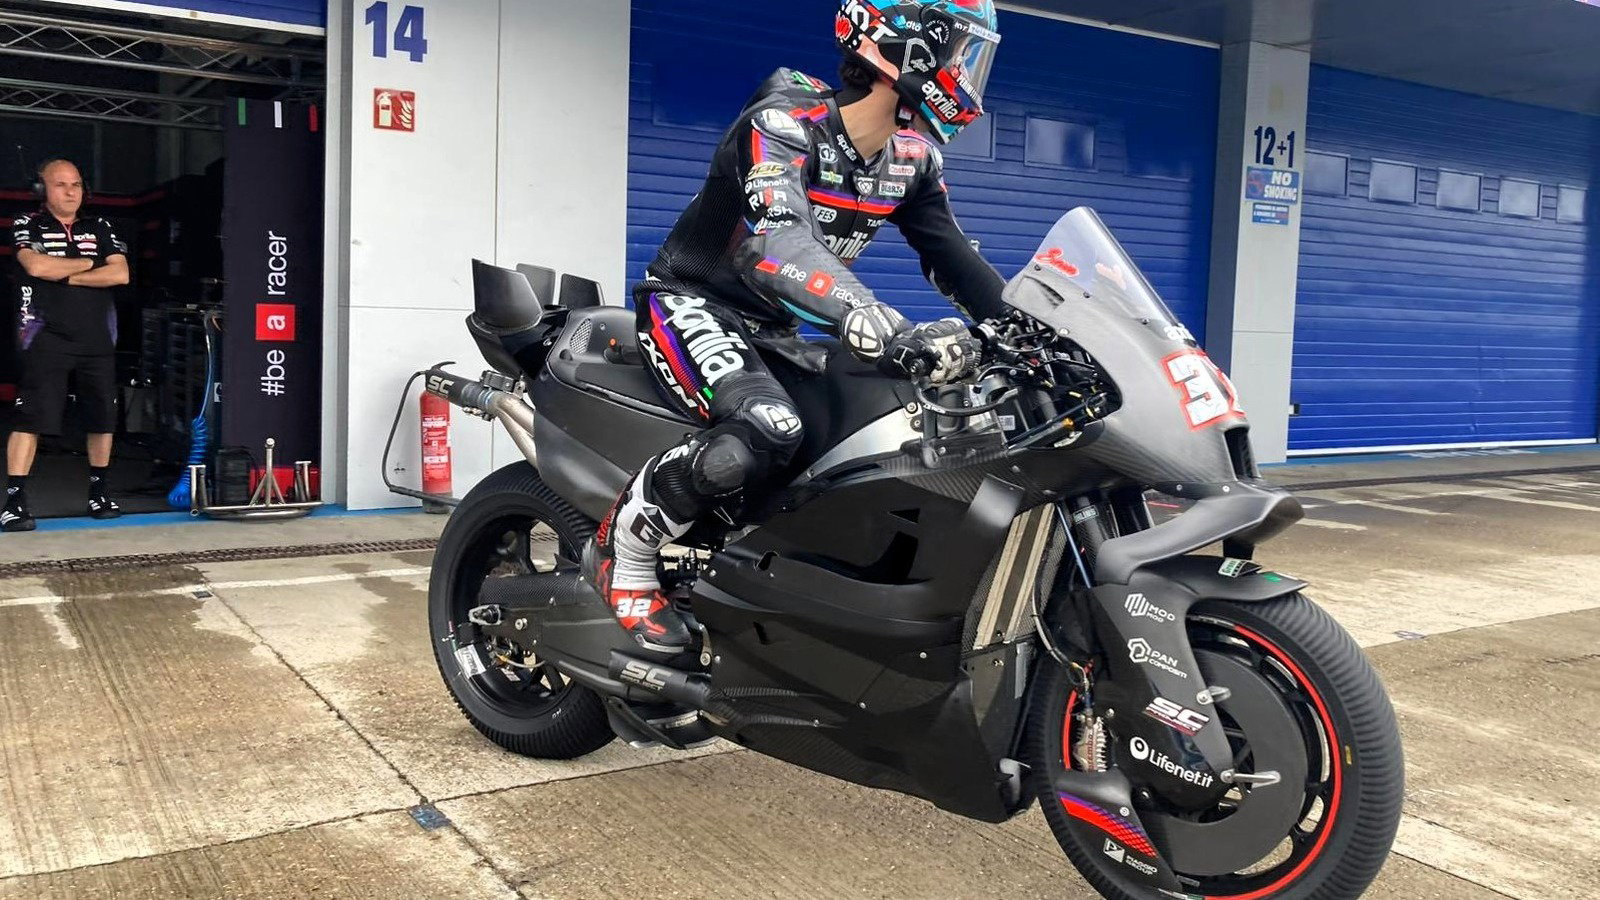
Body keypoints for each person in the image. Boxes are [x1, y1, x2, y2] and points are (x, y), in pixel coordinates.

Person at [584, 0, 1008, 654]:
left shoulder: (912, 162)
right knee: (766, 428)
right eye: (960, 54)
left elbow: (957, 261)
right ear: (907, 53)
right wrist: (874, 319)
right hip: (693, 303)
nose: (967, 74)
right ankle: (624, 555)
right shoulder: (782, 126)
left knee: (869, 439)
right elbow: (776, 243)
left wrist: (1032, 332)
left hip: (776, 329)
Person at [4, 159, 130, 531]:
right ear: (42, 191)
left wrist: (68, 272)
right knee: (31, 418)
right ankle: (14, 501)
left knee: (102, 417)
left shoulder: (100, 225)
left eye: (76, 184)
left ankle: (99, 492)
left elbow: (120, 273)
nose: (71, 191)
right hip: (45, 336)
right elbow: (37, 268)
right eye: (60, 185)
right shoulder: (27, 223)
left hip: (96, 339)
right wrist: (92, 266)